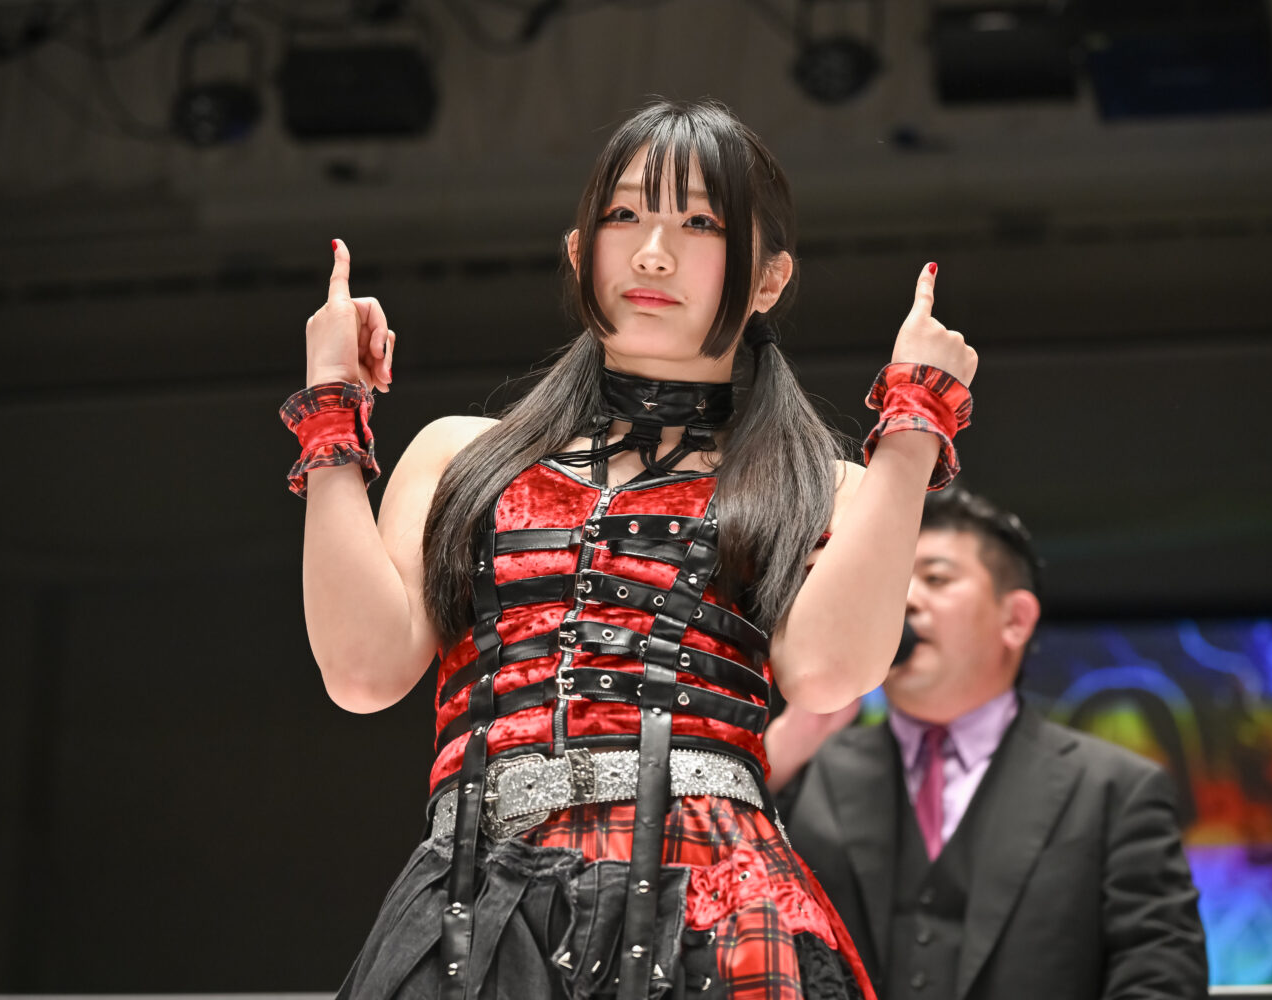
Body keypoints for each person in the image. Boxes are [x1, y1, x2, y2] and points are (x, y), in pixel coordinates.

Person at [279, 99, 976, 1000]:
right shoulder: (459, 456)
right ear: (580, 252)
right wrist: (332, 410)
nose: (652, 253)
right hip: (476, 912)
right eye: (624, 215)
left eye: (700, 224)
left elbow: (828, 673)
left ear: (769, 279)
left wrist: (914, 429)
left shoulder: (820, 484)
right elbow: (362, 672)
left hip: (712, 911)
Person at [765, 489, 1209, 1000]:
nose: (903, 600)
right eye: (892, 578)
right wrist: (782, 752)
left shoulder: (1116, 791)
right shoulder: (804, 767)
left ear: (1015, 620)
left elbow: (1161, 978)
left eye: (936, 578)